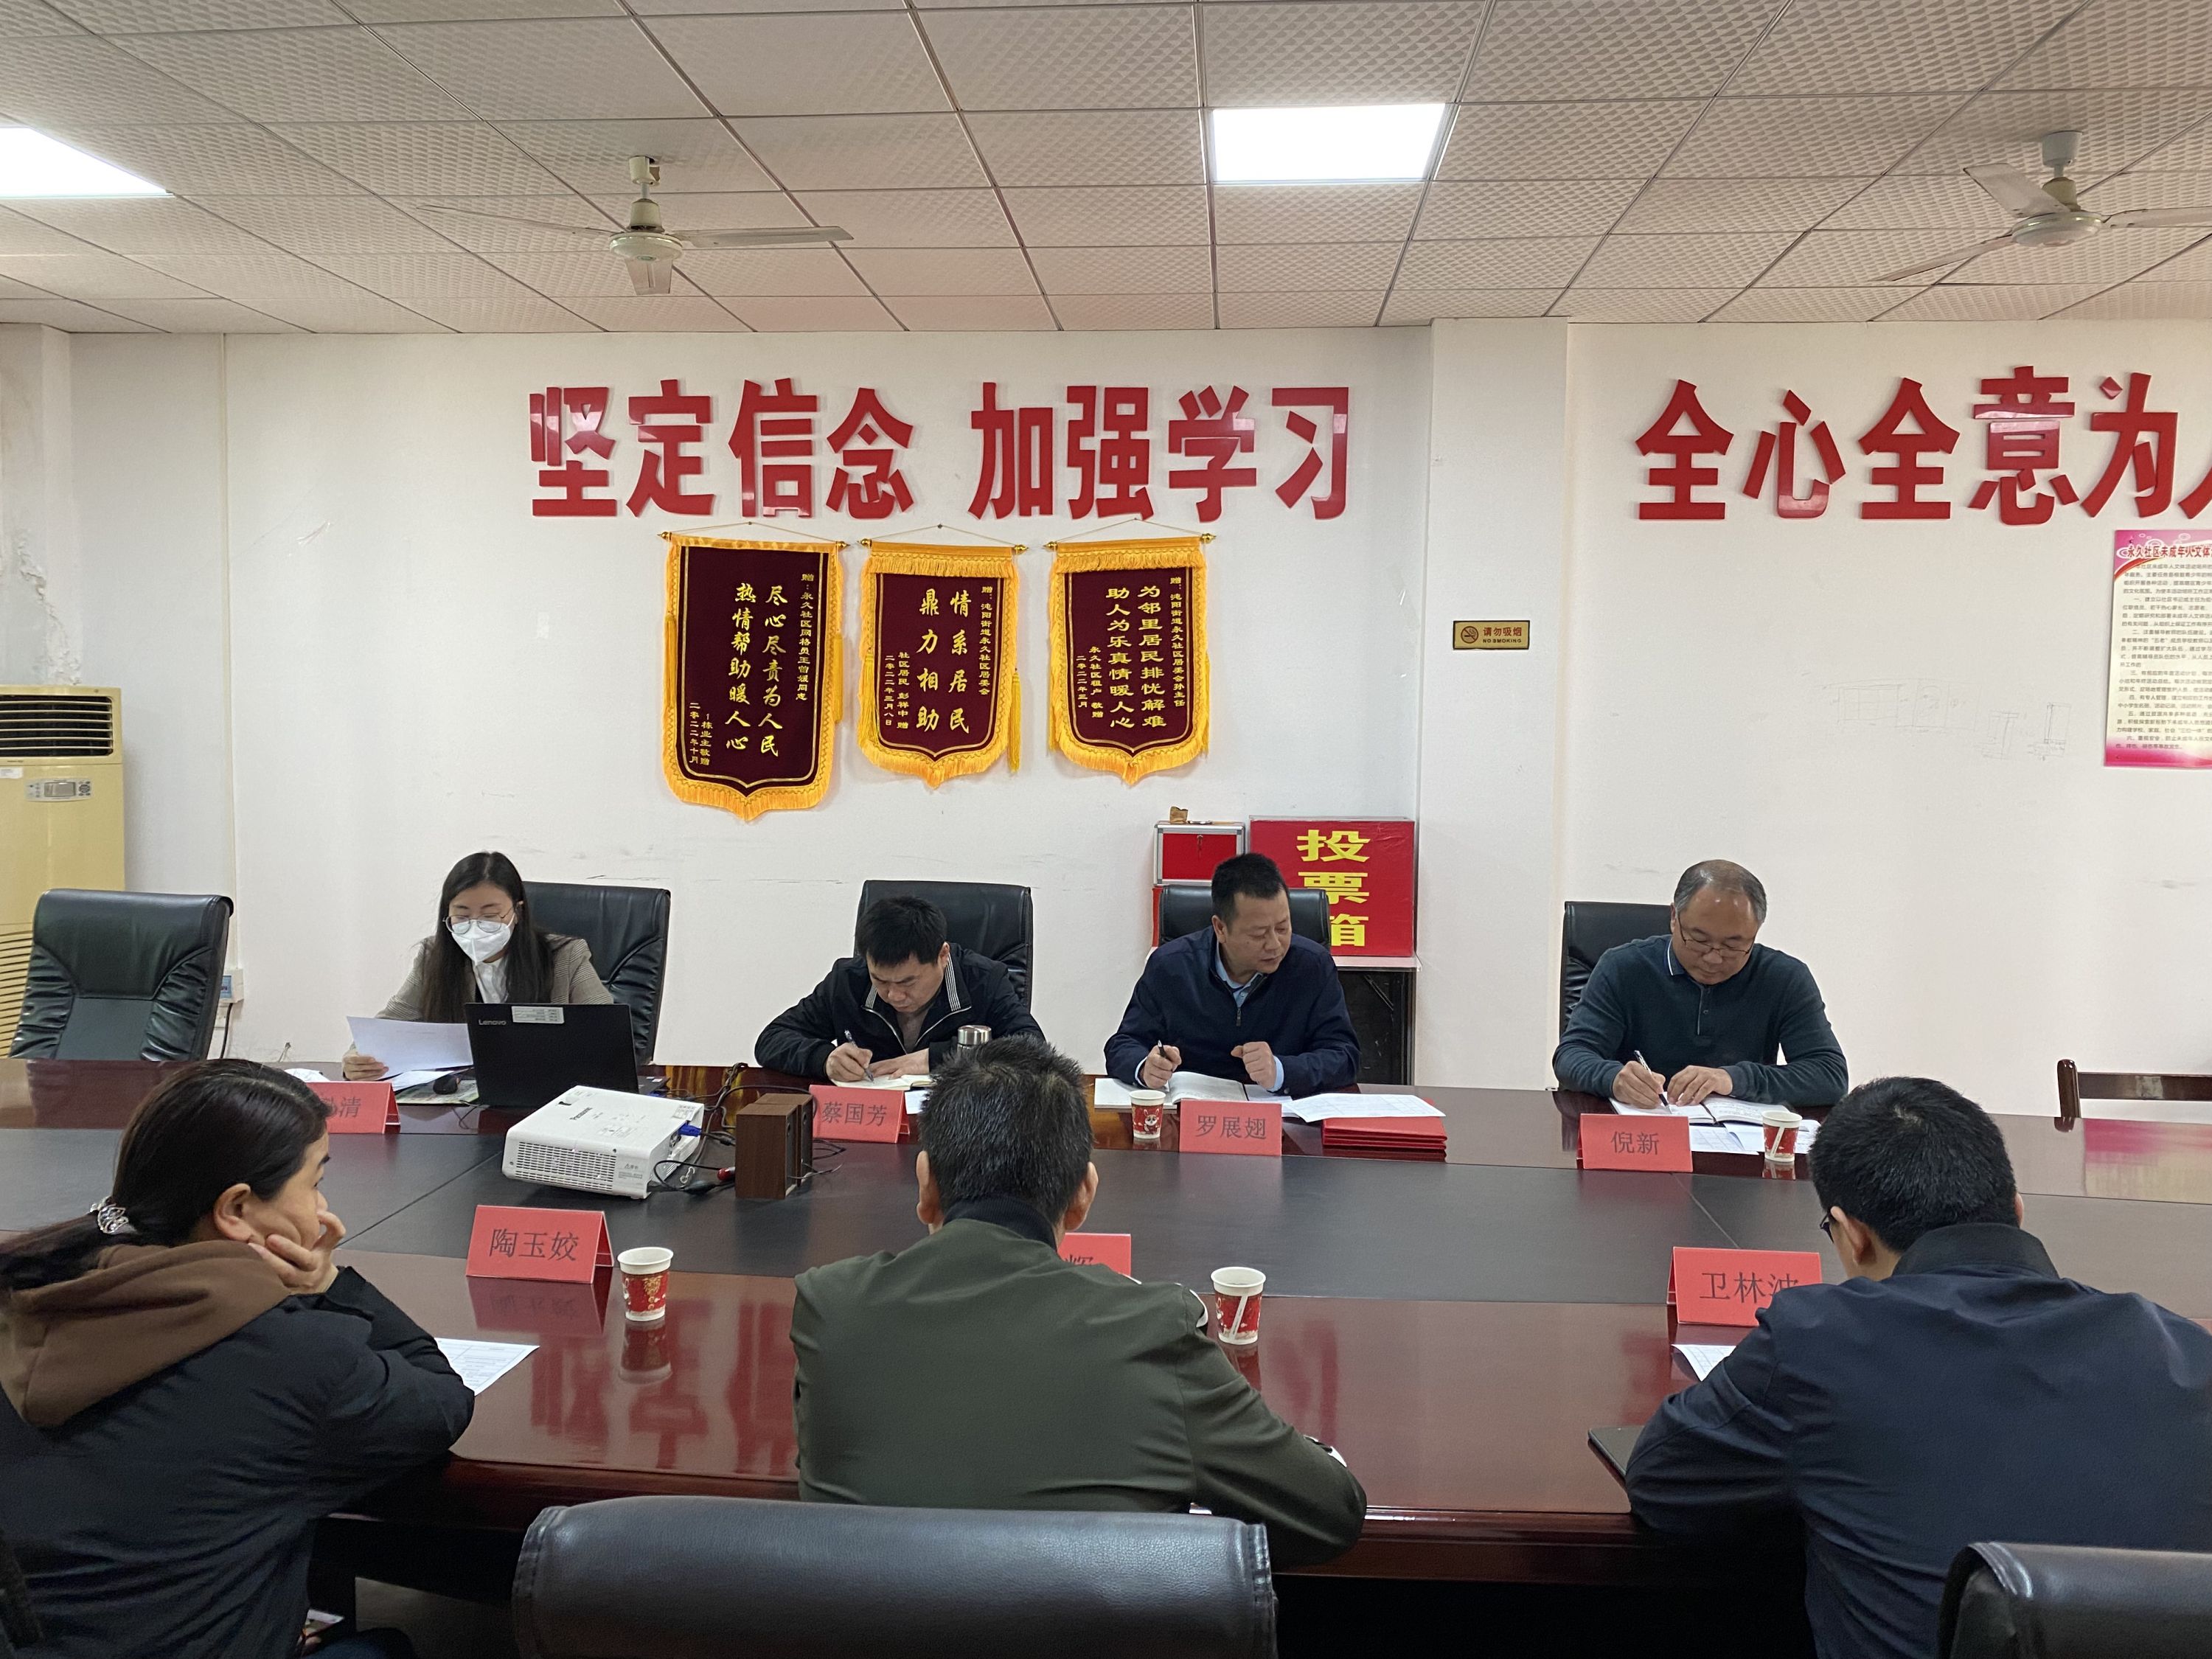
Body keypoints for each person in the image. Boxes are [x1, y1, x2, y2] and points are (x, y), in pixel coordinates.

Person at [1625, 1076, 2212, 1659]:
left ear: (1851, 1236)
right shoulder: (2185, 1352)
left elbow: (1663, 1479)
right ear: (2017, 1210)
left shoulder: (1820, 1341)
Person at [790, 1036, 1367, 1565]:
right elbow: (1331, 1510)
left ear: (926, 1185)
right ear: (1083, 1195)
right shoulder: (1152, 1331)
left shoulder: (832, 1309)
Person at [0, 1060, 473, 1659]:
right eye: (314, 1181)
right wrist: (328, 1284)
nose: (322, 1207)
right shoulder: (287, 1356)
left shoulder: (24, 1292)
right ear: (236, 1210)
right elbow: (440, 1401)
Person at [1551, 859, 1846, 1108]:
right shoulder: (1623, 967)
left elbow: (1829, 1075)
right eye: (1700, 940)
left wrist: (1733, 1079)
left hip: (1738, 1142)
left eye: (1733, 945)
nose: (1714, 958)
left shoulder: (1785, 978)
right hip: (1644, 1131)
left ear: (1755, 932)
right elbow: (1571, 1055)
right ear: (1674, 918)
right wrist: (1613, 1078)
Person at [1105, 853, 1359, 1098]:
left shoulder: (1312, 966)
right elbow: (1124, 1044)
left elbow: (1344, 1056)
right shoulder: (1171, 966)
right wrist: (1145, 1067)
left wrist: (1282, 1071)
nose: (1275, 945)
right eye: (1259, 934)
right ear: (1221, 928)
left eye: (1283, 928)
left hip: (1281, 1117)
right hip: (1192, 1114)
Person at [345, 850, 611, 1079]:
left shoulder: (565, 956)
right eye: (462, 916)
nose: (475, 927)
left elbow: (609, 1035)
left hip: (547, 1091)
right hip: (463, 1101)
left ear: (517, 912)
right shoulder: (433, 957)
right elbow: (389, 1026)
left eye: (490, 915)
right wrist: (358, 1059)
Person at [754, 894, 1041, 1082]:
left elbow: (1033, 1048)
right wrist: (824, 1059)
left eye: (907, 982)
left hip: (959, 1127)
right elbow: (771, 1039)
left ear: (943, 956)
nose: (894, 995)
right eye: (880, 980)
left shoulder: (984, 980)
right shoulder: (848, 981)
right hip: (871, 1126)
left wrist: (937, 1058)